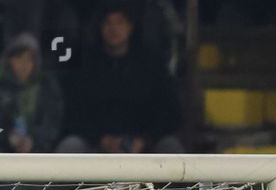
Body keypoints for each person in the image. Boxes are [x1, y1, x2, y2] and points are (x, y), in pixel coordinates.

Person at [56, 4, 183, 154]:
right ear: (100, 28)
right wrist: (100, 139)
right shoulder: (86, 64)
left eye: (120, 22)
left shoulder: (151, 64)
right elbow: (74, 114)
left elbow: (170, 112)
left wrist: (145, 139)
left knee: (171, 146)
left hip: (143, 145)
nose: (113, 29)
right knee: (70, 146)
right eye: (108, 23)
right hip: (96, 144)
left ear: (130, 27)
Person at [0, 33, 63, 153]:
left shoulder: (47, 87)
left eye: (29, 59)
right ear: (8, 60)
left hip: (41, 150)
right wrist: (8, 137)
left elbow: (52, 125)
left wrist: (32, 140)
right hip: (5, 150)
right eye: (18, 58)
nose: (24, 65)